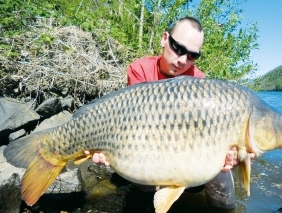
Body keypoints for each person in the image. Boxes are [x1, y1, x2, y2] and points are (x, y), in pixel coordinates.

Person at [86, 17, 255, 210]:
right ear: (165, 39)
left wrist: (233, 153)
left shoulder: (200, 82)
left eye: (192, 55)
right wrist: (105, 148)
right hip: (151, 143)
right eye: (178, 48)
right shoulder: (140, 70)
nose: (183, 60)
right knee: (142, 185)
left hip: (192, 148)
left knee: (222, 185)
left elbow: (210, 134)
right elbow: (133, 124)